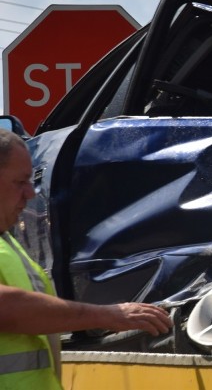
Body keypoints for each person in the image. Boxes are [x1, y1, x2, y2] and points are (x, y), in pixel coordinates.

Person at [0, 128, 172, 389]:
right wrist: (108, 315)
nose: (31, 193)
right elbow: (6, 307)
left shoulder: (8, 242)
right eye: (20, 182)